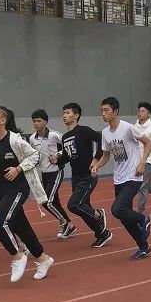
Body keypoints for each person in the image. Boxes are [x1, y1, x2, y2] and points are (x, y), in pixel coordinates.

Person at [0, 107, 54, 282]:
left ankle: (17, 256)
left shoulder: (15, 139)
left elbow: (34, 156)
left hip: (17, 188)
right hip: (0, 189)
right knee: (20, 226)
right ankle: (43, 259)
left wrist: (18, 168)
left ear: (3, 121)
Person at [91, 97, 151, 260]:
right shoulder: (105, 133)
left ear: (116, 111)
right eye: (101, 111)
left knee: (117, 210)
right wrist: (97, 165)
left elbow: (148, 143)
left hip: (133, 175)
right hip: (118, 178)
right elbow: (106, 155)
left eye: (106, 110)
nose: (103, 114)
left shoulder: (128, 128)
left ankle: (144, 218)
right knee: (125, 217)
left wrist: (142, 163)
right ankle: (144, 248)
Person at [53, 103, 112, 248]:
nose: (64, 116)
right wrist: (58, 159)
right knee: (84, 208)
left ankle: (99, 214)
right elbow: (68, 156)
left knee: (74, 205)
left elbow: (101, 141)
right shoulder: (65, 136)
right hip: (76, 177)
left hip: (88, 175)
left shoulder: (84, 131)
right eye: (63, 113)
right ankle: (102, 234)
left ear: (76, 115)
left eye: (67, 113)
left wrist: (96, 160)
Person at [29, 109, 76, 238]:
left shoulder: (55, 135)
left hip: (56, 172)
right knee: (54, 202)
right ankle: (69, 226)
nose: (36, 123)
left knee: (47, 201)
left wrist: (58, 155)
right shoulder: (32, 138)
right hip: (44, 173)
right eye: (34, 121)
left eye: (39, 121)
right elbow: (33, 154)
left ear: (46, 122)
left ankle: (65, 222)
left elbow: (67, 147)